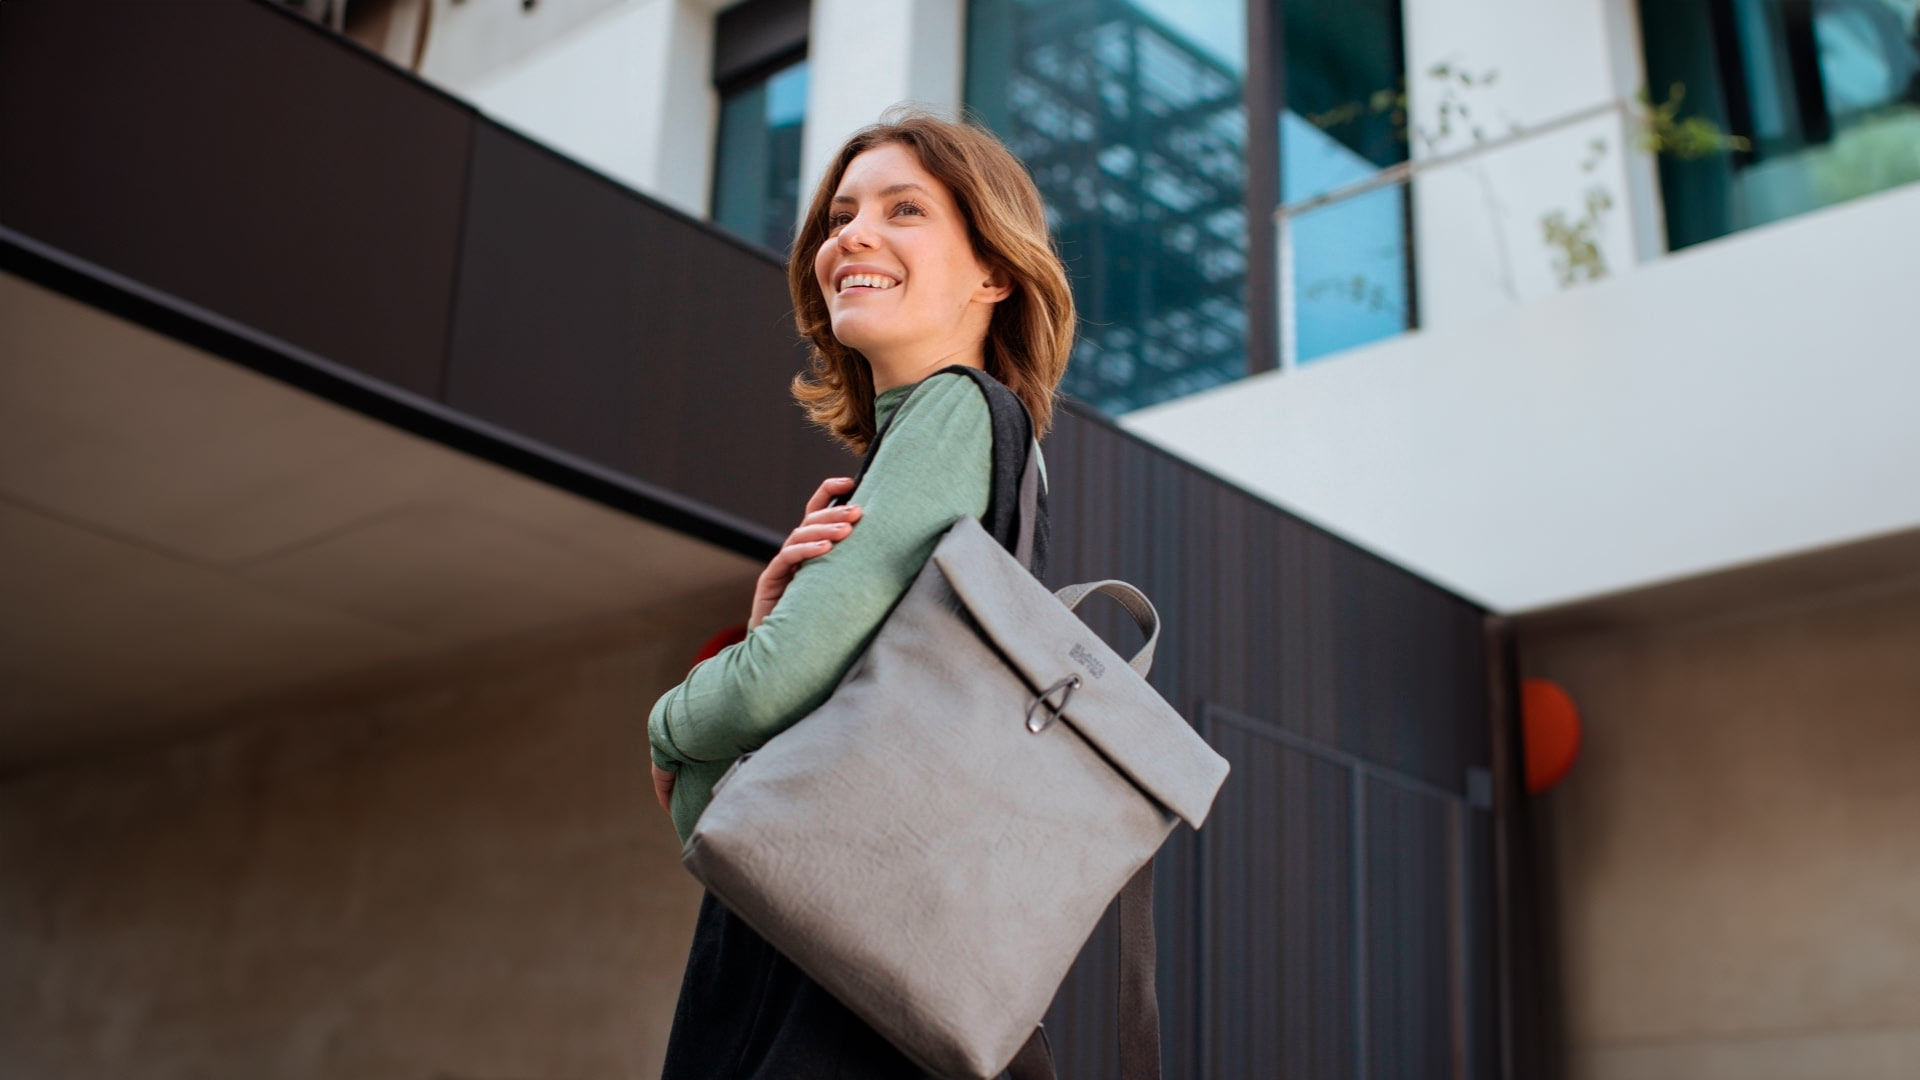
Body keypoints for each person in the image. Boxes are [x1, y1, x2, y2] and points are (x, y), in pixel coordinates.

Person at [645, 107, 1078, 1078]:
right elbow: (726, 838)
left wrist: (672, 719)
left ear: (994, 272)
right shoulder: (923, 454)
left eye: (905, 209)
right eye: (841, 215)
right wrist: (771, 638)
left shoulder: (956, 412)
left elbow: (760, 696)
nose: (854, 236)